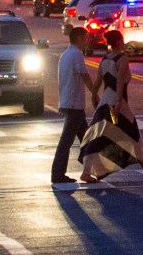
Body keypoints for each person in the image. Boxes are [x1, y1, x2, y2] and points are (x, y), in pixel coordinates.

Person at [79, 30, 143, 184]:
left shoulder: (105, 59)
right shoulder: (122, 59)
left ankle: (87, 171)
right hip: (118, 104)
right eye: (122, 39)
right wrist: (118, 103)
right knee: (134, 135)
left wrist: (94, 96)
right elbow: (119, 82)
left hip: (105, 102)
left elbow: (98, 81)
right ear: (119, 41)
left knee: (99, 136)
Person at [51, 27, 99, 184]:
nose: (87, 41)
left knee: (86, 139)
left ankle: (89, 170)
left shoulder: (66, 55)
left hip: (69, 103)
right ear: (78, 38)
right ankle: (58, 174)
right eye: (85, 38)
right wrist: (94, 92)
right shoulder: (76, 54)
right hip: (73, 105)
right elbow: (84, 75)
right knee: (66, 141)